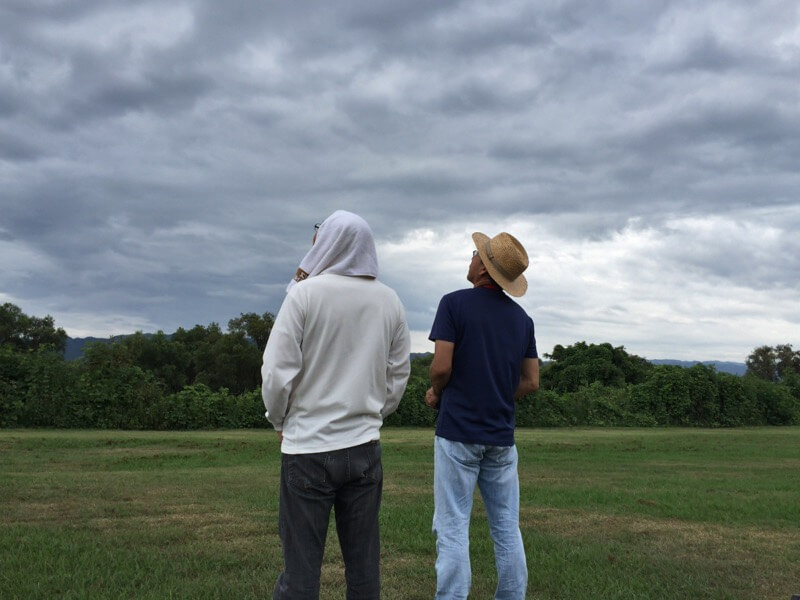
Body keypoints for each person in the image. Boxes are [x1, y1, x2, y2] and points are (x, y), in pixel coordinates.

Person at [262, 210, 411, 599]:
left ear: (328, 241)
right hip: (364, 448)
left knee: (301, 573)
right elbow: (398, 375)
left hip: (307, 447)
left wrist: (279, 420)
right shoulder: (389, 300)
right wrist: (372, 413)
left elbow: (276, 370)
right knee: (363, 571)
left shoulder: (304, 294)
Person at [425, 231, 539, 600]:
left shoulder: (453, 304)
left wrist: (437, 392)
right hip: (501, 439)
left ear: (483, 268)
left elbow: (441, 367)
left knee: (453, 525)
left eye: (475, 254)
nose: (471, 258)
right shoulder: (522, 320)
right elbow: (531, 381)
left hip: (457, 433)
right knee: (506, 526)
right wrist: (496, 394)